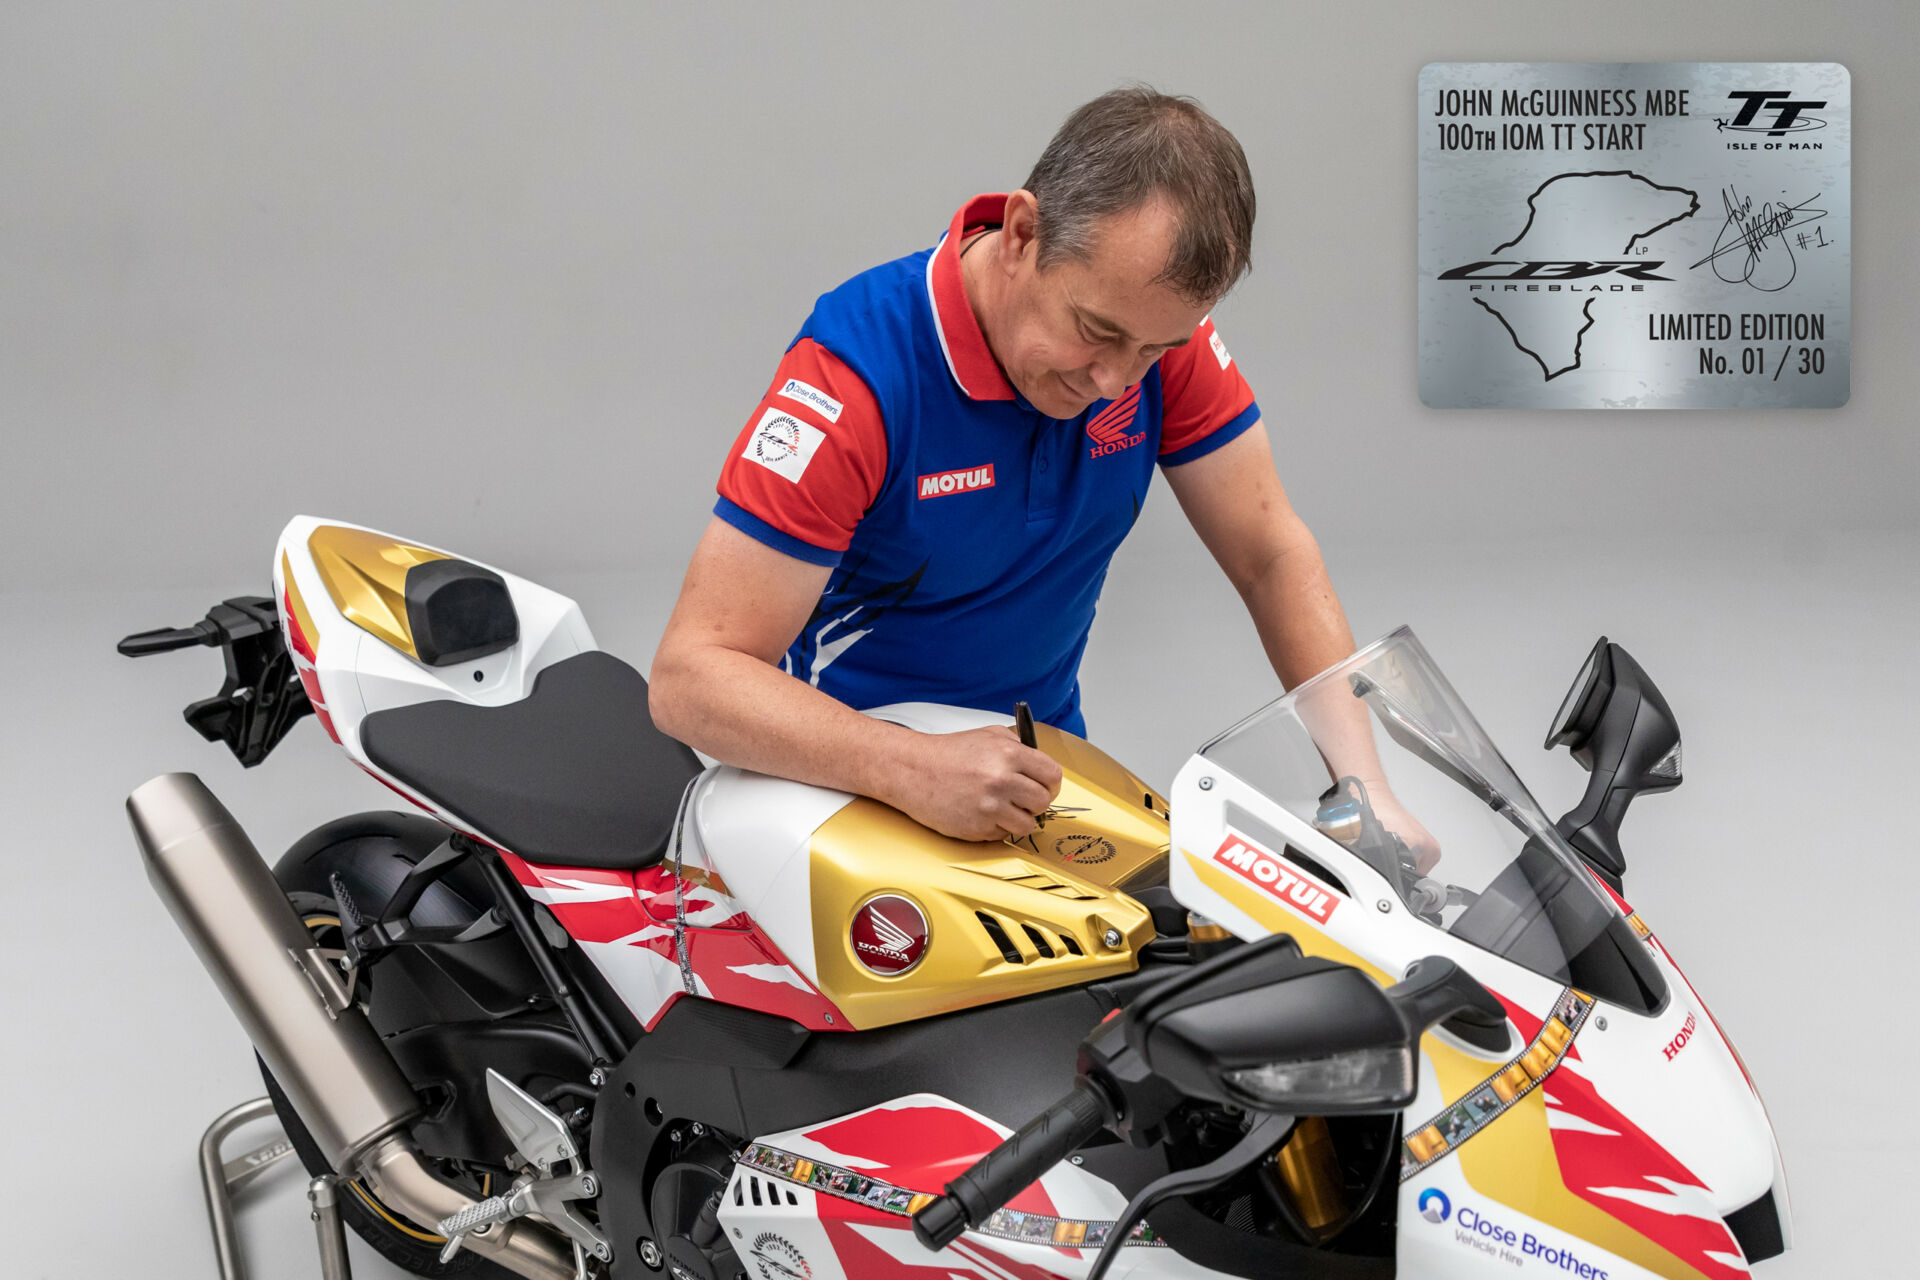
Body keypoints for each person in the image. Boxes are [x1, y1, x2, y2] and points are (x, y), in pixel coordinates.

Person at [650, 86, 1435, 865]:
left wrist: (1366, 791)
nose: (1115, 382)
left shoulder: (1153, 340)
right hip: (836, 795)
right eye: (1095, 332)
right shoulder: (856, 380)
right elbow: (691, 679)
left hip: (1034, 784)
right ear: (1023, 234)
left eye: (1154, 351)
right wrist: (906, 764)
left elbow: (1270, 554)